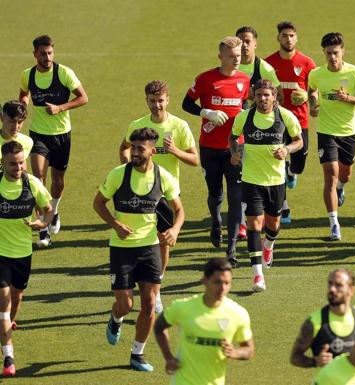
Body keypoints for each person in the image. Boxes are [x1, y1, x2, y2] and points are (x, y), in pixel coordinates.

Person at [93, 128, 185, 371]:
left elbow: (179, 210)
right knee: (126, 304)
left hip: (150, 249)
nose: (134, 152)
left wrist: (174, 230)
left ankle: (137, 354)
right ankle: (116, 318)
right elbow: (98, 203)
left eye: (140, 149)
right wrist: (114, 223)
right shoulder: (117, 175)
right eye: (133, 147)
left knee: (149, 301)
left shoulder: (163, 176)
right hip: (122, 249)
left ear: (152, 151)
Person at [119, 81, 198, 314]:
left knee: (163, 242)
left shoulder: (179, 126)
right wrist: (128, 164)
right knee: (140, 240)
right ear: (146, 100)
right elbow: (124, 147)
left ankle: (156, 288)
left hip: (166, 193)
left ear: (168, 100)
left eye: (161, 100)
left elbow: (195, 159)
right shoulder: (138, 126)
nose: (157, 105)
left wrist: (175, 151)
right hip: (140, 191)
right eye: (152, 101)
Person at [181, 37, 249, 265]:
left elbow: (246, 106)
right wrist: (206, 113)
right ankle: (215, 220)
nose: (236, 59)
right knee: (215, 194)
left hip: (235, 146)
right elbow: (186, 104)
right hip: (209, 148)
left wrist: (245, 119)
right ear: (220, 56)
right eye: (231, 56)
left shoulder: (244, 80)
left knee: (236, 196)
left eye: (239, 55)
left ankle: (231, 250)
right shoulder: (206, 79)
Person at [230, 79, 302, 292]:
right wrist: (235, 153)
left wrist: (286, 150)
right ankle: (257, 274)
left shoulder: (285, 116)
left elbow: (299, 141)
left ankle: (269, 245)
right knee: (254, 225)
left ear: (274, 97)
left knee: (273, 225)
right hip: (251, 180)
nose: (263, 99)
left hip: (276, 182)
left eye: (267, 95)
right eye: (259, 95)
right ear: (254, 96)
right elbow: (233, 138)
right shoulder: (244, 117)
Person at [18, 35, 88, 247]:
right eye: (43, 53)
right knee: (38, 179)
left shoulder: (64, 73)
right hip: (38, 134)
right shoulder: (27, 75)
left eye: (50, 53)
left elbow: (83, 98)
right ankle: (43, 230)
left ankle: (54, 212)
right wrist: (22, 107)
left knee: (57, 181)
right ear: (35, 54)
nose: (47, 57)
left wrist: (61, 108)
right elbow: (24, 95)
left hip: (62, 134)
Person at [308, 32, 355, 241]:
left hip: (348, 132)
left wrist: (347, 98)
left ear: (343, 51)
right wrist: (313, 106)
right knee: (330, 174)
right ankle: (334, 223)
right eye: (328, 53)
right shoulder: (316, 74)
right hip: (326, 132)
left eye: (336, 52)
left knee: (345, 176)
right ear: (323, 53)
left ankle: (341, 189)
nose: (332, 57)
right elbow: (312, 92)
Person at [154, 258, 254, 385]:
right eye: (217, 282)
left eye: (227, 283)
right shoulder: (183, 307)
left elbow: (248, 349)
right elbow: (159, 327)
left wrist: (234, 353)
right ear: (205, 281)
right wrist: (168, 357)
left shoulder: (238, 314)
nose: (222, 288)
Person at [0, 141, 52, 377]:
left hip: (23, 253)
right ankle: (9, 357)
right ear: (3, 163)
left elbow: (48, 208)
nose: (18, 167)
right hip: (0, 253)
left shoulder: (32, 183)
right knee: (4, 301)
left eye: (21, 162)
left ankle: (5, 329)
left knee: (16, 298)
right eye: (13, 163)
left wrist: (43, 222)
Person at [265, 21, 317, 225]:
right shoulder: (268, 63)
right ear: (278, 38)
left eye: (292, 35)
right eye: (284, 35)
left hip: (300, 120)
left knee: (300, 161)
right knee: (277, 162)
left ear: (297, 38)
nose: (288, 39)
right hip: (276, 120)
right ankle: (284, 206)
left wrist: (308, 99)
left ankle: (292, 172)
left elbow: (314, 90)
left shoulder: (306, 62)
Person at [290, 269, 355, 369]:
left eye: (338, 285)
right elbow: (295, 357)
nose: (332, 289)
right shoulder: (314, 322)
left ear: (351, 290)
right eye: (330, 284)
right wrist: (315, 361)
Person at [236, 25, 283, 104]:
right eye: (240, 42)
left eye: (247, 41)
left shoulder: (265, 69)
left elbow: (280, 98)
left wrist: (258, 98)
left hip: (255, 116)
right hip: (233, 115)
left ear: (255, 44)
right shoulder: (229, 67)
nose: (244, 45)